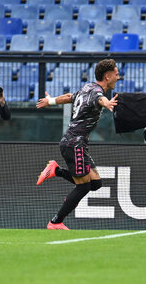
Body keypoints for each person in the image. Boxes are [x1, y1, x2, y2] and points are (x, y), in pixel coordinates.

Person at [35, 58, 119, 230]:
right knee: (84, 186)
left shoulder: (87, 87)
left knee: (95, 184)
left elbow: (69, 97)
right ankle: (55, 222)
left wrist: (50, 101)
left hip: (77, 143)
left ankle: (56, 170)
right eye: (116, 74)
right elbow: (100, 99)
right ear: (108, 76)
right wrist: (107, 103)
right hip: (74, 144)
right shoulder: (96, 93)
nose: (118, 77)